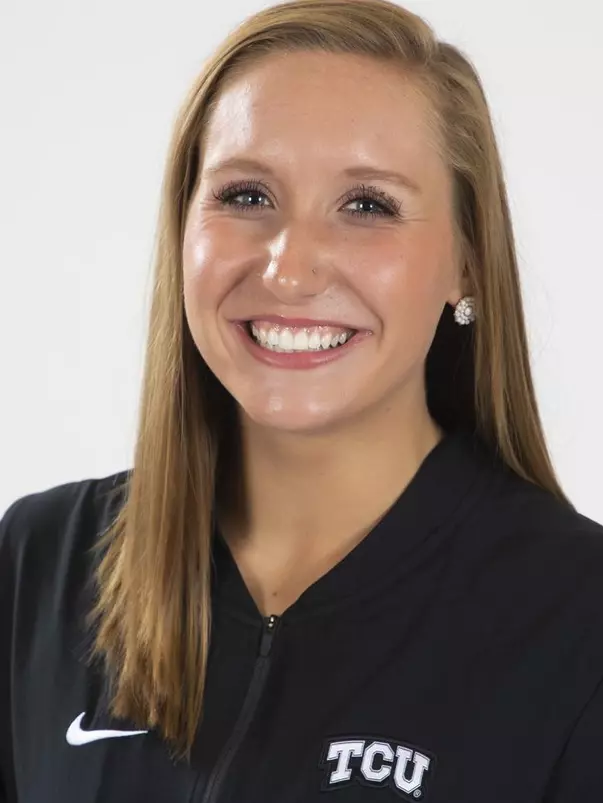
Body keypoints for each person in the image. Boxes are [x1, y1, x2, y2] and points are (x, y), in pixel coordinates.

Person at [1, 0, 602, 800]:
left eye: (367, 205)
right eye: (246, 195)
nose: (289, 269)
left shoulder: (577, 619)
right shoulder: (38, 564)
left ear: (467, 260)